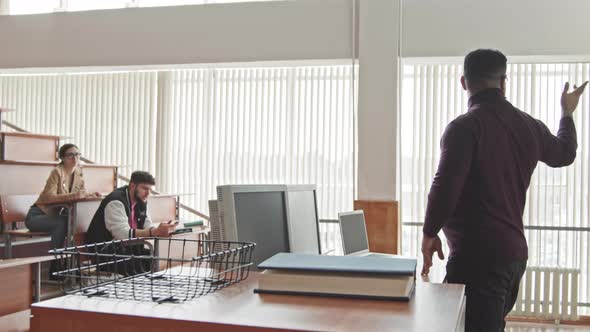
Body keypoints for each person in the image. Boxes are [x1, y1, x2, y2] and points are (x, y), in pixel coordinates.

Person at [421, 49, 587, 331]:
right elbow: (565, 153)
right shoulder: (529, 126)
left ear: (464, 82)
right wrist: (567, 114)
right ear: (504, 82)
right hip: (513, 259)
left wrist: (429, 233)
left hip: (478, 260)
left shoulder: (464, 128)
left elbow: (444, 187)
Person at [85, 171, 176, 275]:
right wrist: (154, 232)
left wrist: (163, 229)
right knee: (138, 264)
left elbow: (148, 226)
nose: (148, 193)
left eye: (150, 190)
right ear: (132, 186)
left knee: (151, 258)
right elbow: (122, 234)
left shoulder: (141, 201)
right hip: (104, 252)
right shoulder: (115, 201)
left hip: (125, 249)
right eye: (145, 188)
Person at [26, 143, 100, 251]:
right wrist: (74, 195)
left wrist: (90, 195)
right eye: (70, 155)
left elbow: (80, 194)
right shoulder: (57, 172)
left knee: (77, 221)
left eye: (77, 154)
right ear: (62, 158)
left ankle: (74, 259)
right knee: (62, 222)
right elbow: (48, 197)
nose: (74, 158)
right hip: (37, 216)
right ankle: (56, 262)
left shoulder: (79, 172)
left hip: (55, 216)